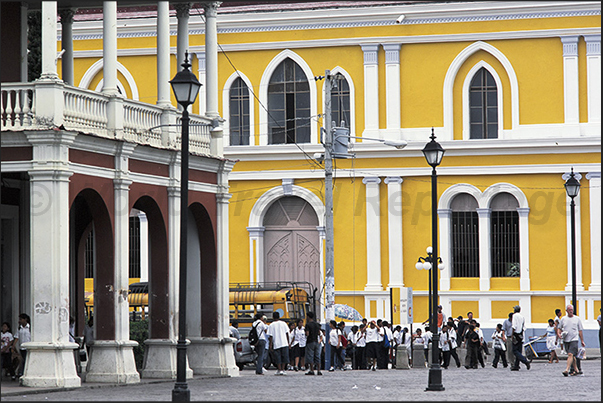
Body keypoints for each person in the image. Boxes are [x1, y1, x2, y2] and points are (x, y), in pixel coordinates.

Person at [557, 304, 585, 377]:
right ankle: (576, 370)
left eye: (572, 310)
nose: (571, 311)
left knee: (570, 354)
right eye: (569, 310)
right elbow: (559, 328)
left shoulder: (577, 319)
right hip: (566, 339)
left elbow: (580, 330)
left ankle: (567, 370)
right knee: (572, 356)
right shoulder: (563, 319)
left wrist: (582, 340)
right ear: (566, 311)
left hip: (574, 339)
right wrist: (559, 334)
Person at [266, 311, 290, 375]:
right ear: (279, 316)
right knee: (284, 357)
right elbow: (287, 333)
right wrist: (288, 342)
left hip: (276, 343)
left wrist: (270, 344)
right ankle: (283, 369)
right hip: (284, 342)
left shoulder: (271, 325)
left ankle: (279, 369)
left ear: (273, 317)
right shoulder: (284, 323)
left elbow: (270, 336)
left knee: (277, 357)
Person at [510, 305, 530, 371]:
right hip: (521, 334)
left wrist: (512, 335)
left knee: (515, 351)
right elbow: (524, 327)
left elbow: (514, 326)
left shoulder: (514, 316)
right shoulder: (522, 317)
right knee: (519, 350)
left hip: (516, 334)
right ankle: (516, 365)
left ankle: (525, 361)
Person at [13, 313, 30, 377]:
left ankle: (24, 372)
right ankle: (22, 372)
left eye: (21, 319)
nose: (19, 321)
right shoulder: (20, 328)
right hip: (22, 347)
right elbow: (17, 337)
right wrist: (13, 346)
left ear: (25, 319)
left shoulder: (30, 327)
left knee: (26, 360)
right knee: (22, 360)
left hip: (28, 347)